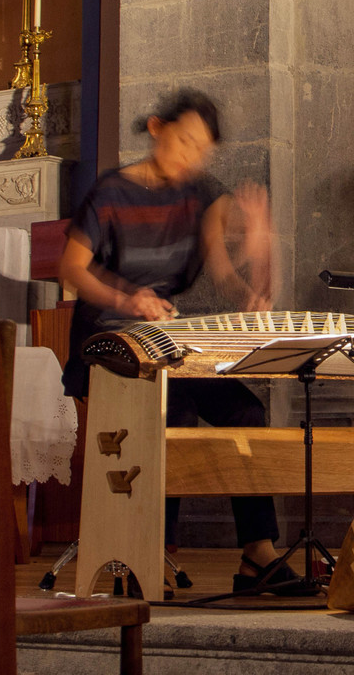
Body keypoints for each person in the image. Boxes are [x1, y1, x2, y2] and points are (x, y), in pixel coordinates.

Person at [59, 89, 299, 595]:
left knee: (244, 413)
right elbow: (71, 269)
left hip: (164, 338)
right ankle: (150, 553)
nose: (191, 156)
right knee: (173, 413)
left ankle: (258, 554)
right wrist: (128, 301)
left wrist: (258, 261)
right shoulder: (111, 192)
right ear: (156, 128)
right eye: (184, 141)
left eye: (201, 150)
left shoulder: (200, 194)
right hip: (108, 339)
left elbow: (224, 274)